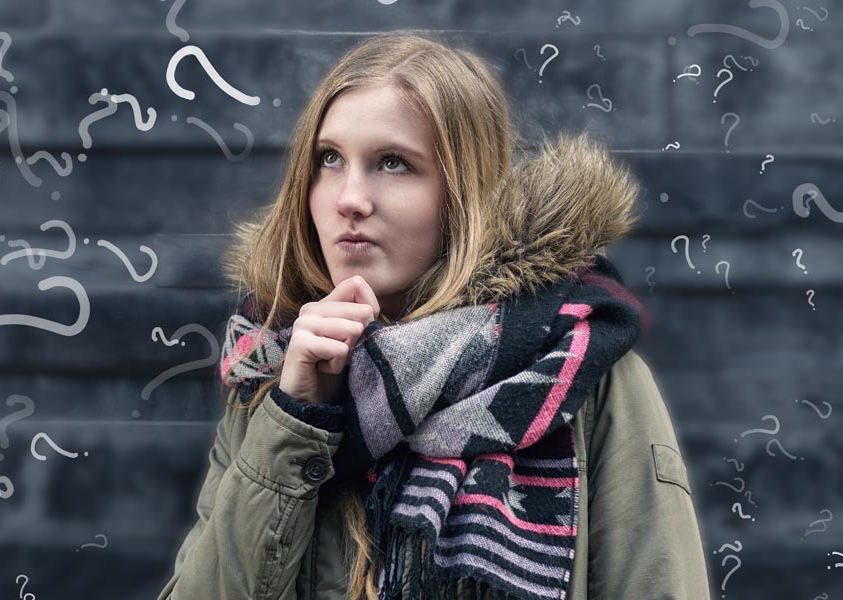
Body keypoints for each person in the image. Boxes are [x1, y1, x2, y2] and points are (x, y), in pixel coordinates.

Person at [157, 30, 711, 600]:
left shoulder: (579, 373)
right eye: (329, 159)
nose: (349, 198)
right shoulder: (273, 375)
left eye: (393, 163)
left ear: (464, 194)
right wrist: (297, 419)